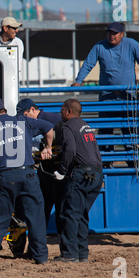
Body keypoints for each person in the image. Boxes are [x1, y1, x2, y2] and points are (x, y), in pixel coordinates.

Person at [0, 97, 54, 264]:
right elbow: (48, 127)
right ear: (4, 110)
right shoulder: (22, 120)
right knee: (36, 217)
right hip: (28, 174)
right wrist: (48, 147)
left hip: (5, 176)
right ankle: (41, 257)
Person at [72, 21, 139, 156]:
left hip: (128, 96)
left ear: (122, 34)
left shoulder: (131, 44)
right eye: (109, 33)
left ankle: (132, 163)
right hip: (107, 97)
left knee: (130, 132)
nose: (112, 36)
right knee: (106, 131)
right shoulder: (99, 46)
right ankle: (107, 163)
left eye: (115, 33)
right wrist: (78, 81)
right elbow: (88, 64)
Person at [52, 99, 103, 263]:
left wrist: (62, 170)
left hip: (81, 173)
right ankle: (82, 254)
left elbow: (70, 150)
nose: (60, 113)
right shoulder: (85, 126)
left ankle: (69, 254)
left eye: (62, 110)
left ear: (68, 111)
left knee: (70, 214)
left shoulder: (68, 126)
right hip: (96, 173)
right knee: (81, 214)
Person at [15, 98, 63, 230]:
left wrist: (48, 146)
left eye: (25, 116)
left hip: (56, 168)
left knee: (48, 208)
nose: (24, 119)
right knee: (44, 208)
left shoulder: (48, 118)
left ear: (32, 110)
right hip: (49, 168)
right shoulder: (44, 119)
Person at [0, 17, 24, 99]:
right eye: (14, 28)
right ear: (5, 28)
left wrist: (12, 81)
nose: (17, 31)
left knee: (14, 103)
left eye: (17, 28)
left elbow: (17, 66)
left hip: (11, 79)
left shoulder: (18, 42)